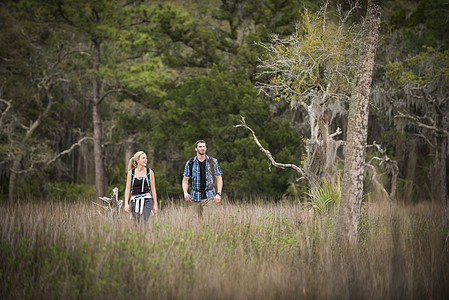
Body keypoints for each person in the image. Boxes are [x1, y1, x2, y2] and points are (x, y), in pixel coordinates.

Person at [182, 140, 223, 217]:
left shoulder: (213, 161)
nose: (202, 148)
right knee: (196, 221)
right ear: (196, 149)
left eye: (204, 146)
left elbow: (219, 178)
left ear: (206, 148)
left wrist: (219, 193)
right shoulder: (190, 163)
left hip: (209, 196)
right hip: (195, 197)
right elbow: (185, 180)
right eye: (200, 147)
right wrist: (185, 192)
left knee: (208, 221)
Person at [124, 151, 158, 222]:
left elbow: (153, 189)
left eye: (146, 158)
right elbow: (127, 189)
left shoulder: (149, 172)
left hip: (147, 200)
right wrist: (126, 203)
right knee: (136, 223)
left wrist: (155, 204)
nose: (146, 160)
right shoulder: (131, 173)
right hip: (134, 201)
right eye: (143, 158)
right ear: (137, 160)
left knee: (143, 222)